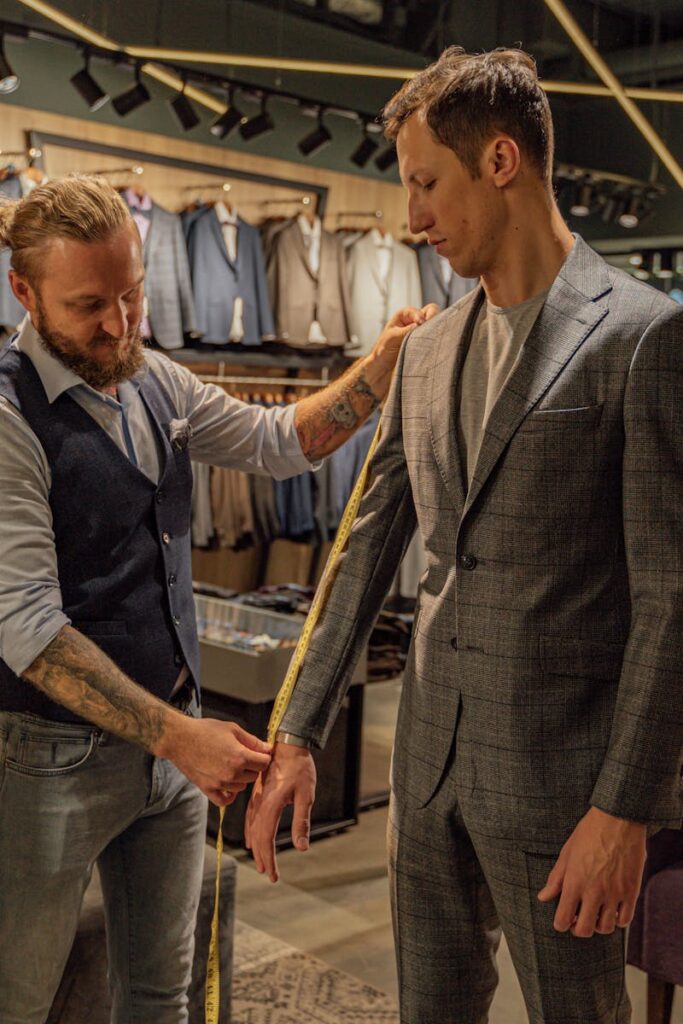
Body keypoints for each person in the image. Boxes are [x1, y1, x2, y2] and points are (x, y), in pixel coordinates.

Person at [245, 46, 683, 1024]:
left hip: (565, 786)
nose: (413, 218)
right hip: (427, 764)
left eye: (425, 184)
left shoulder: (640, 336)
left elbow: (669, 598)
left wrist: (623, 811)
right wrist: (297, 731)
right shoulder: (426, 349)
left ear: (499, 162)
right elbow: (363, 547)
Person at [0, 174, 436, 1024]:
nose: (120, 324)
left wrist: (377, 372)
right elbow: (26, 628)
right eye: (91, 304)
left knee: (160, 993)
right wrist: (179, 736)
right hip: (48, 763)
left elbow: (281, 443)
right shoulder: (9, 413)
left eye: (131, 296)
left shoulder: (156, 380)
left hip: (168, 754)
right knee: (21, 997)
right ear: (24, 290)